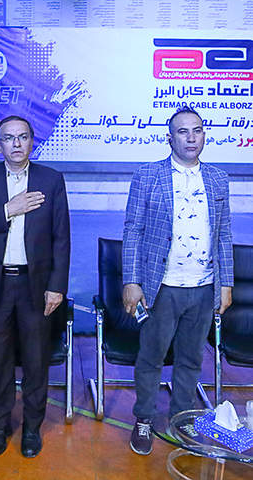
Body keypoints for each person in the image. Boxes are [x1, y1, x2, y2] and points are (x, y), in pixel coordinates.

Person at [123, 106, 233, 455]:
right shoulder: (148, 175)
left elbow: (224, 234)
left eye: (197, 130)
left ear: (204, 136)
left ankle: (181, 419)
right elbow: (133, 230)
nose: (191, 138)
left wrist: (226, 283)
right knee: (151, 358)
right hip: (161, 287)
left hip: (203, 286)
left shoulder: (218, 178)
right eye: (183, 132)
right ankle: (144, 418)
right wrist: (132, 281)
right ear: (170, 138)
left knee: (190, 360)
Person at [0, 115, 70, 458]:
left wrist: (57, 286)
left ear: (32, 141)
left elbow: (61, 238)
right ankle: (0, 425)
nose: (17, 143)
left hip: (36, 285)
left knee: (36, 360)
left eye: (23, 137)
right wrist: (8, 210)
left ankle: (32, 428)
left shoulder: (50, 180)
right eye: (9, 138)